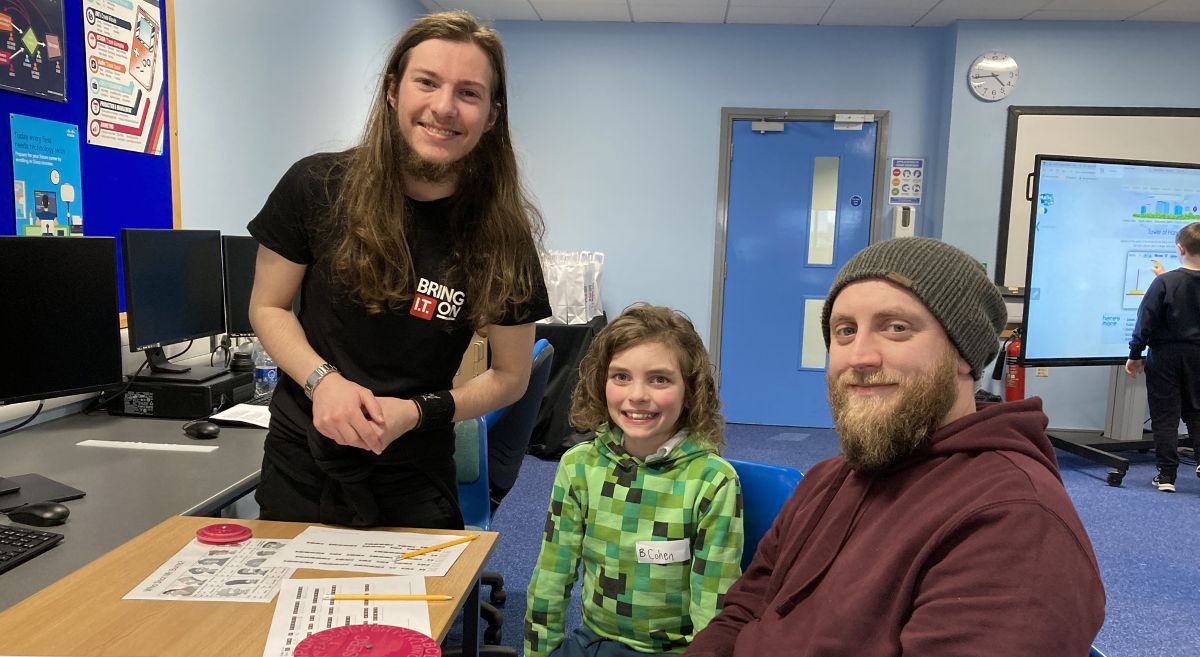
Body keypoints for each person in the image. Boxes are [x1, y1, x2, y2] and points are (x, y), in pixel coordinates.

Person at [685, 237, 1105, 657]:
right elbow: (745, 611)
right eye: (845, 331)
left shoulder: (1017, 523)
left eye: (896, 328)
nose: (859, 356)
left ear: (963, 353)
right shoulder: (828, 479)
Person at [246, 11, 549, 528]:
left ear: (492, 117)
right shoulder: (316, 184)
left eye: (469, 93)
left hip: (415, 473)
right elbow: (268, 306)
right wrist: (324, 381)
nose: (444, 107)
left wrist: (416, 412)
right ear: (393, 91)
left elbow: (511, 376)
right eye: (427, 82)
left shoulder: (502, 233)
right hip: (304, 462)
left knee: (413, 611)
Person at [525, 305, 744, 657]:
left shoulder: (712, 481)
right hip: (594, 643)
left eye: (659, 379)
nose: (637, 395)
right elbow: (551, 577)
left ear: (690, 391)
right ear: (601, 383)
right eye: (621, 376)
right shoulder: (579, 467)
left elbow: (713, 608)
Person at [1125, 222, 1200, 493]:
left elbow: (1145, 320)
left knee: (1165, 415)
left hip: (1166, 357)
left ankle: (1166, 475)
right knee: (1196, 410)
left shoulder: (1165, 283)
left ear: (1180, 248)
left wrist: (1135, 354)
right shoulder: (1169, 280)